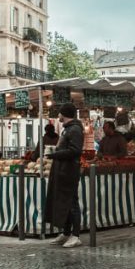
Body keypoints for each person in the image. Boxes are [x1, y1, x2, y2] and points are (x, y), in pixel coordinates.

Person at [45, 104, 84, 248]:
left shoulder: (74, 129)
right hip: (63, 170)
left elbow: (75, 151)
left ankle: (76, 235)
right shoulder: (68, 129)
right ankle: (66, 232)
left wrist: (55, 154)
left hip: (69, 171)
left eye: (59, 113)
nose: (58, 116)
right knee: (65, 203)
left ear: (64, 114)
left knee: (72, 202)